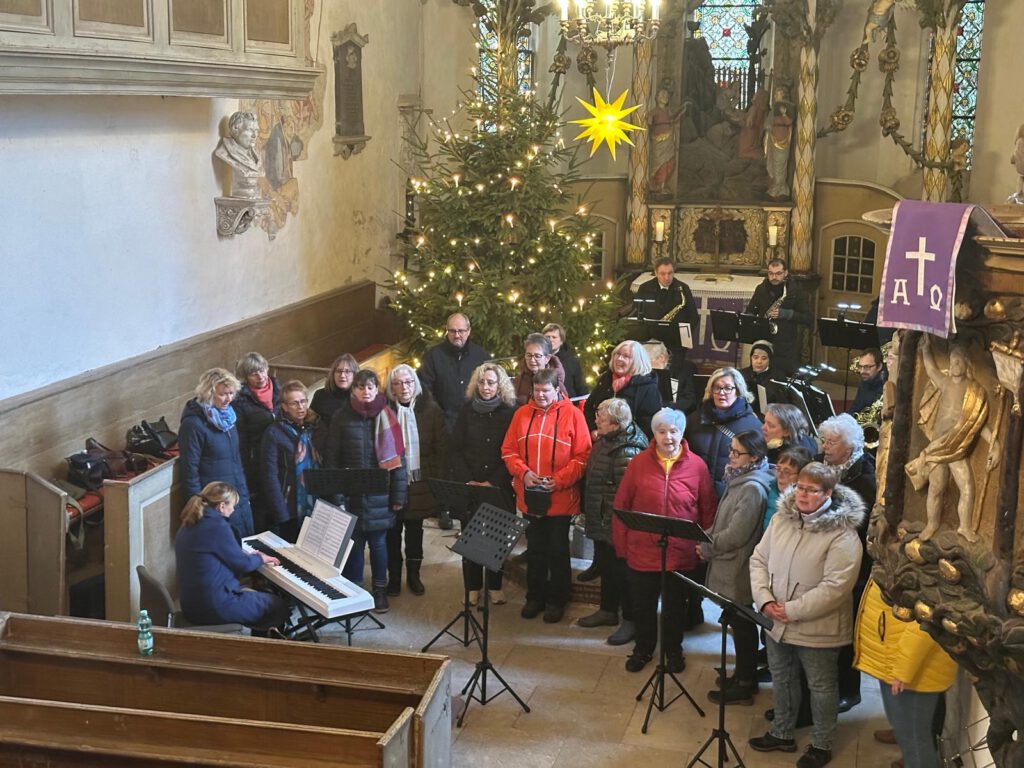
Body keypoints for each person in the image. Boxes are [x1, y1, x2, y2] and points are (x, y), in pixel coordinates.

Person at [749, 462, 865, 768]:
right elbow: (758, 559)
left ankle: (821, 744)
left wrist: (790, 610)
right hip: (775, 618)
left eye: (811, 490)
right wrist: (764, 600)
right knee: (782, 678)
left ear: (827, 494)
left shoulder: (843, 535)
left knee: (821, 686)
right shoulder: (781, 520)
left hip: (818, 626)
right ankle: (782, 732)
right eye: (799, 487)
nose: (801, 494)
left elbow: (836, 587)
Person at [613, 408, 715, 673]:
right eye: (662, 431)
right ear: (654, 434)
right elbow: (622, 506)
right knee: (643, 605)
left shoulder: (697, 466)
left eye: (673, 431)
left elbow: (707, 510)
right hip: (642, 549)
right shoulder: (638, 464)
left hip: (680, 553)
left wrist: (703, 546)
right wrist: (622, 546)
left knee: (674, 609)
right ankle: (643, 648)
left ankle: (673, 650)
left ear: (682, 433)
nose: (668, 437)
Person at [502, 368, 592, 624]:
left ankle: (557, 600)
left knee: (557, 551)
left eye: (546, 390)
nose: (541, 395)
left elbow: (583, 456)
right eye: (537, 390)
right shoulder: (521, 414)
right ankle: (535, 597)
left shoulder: (573, 415)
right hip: (530, 496)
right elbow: (508, 450)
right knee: (536, 550)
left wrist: (559, 480)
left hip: (560, 498)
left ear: (557, 390)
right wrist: (524, 473)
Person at [324, 369, 408, 614]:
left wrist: (398, 497)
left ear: (377, 389)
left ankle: (379, 590)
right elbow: (333, 460)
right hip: (351, 494)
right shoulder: (342, 417)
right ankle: (356, 592)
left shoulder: (388, 415)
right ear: (354, 390)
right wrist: (337, 498)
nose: (366, 391)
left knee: (379, 544)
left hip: (380, 494)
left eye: (370, 387)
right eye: (361, 387)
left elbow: (398, 463)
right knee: (355, 544)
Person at [701, 430, 773, 705]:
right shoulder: (740, 480)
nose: (730, 456)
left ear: (754, 456)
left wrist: (707, 546)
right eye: (730, 450)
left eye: (736, 452)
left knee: (742, 624)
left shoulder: (752, 488)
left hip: (739, 566)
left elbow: (737, 534)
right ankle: (742, 674)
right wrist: (703, 535)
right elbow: (723, 522)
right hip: (730, 564)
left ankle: (745, 682)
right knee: (735, 620)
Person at [854, 579, 957, 768]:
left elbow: (928, 618)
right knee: (907, 735)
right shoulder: (896, 551)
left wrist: (903, 668)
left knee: (915, 741)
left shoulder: (923, 555)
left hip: (912, 669)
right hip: (892, 657)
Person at [908, 337, 998, 542]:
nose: (954, 365)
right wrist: (926, 350)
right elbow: (931, 370)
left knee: (967, 486)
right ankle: (932, 524)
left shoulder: (975, 391)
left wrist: (995, 444)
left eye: (959, 361)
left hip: (957, 448)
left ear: (967, 364)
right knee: (935, 488)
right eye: (952, 361)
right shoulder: (945, 382)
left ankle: (964, 527)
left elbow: (978, 425)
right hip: (938, 446)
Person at [818, 413, 877, 713]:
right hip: (824, 558)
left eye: (832, 442)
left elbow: (862, 523)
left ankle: (849, 689)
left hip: (854, 562)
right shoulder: (823, 466)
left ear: (851, 444)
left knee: (847, 626)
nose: (825, 447)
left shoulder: (864, 475)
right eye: (824, 440)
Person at [578, 398, 648, 645]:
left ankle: (629, 620)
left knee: (624, 573)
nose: (596, 420)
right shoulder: (607, 440)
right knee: (608, 567)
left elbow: (625, 496)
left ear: (616, 424)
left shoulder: (629, 451)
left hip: (617, 523)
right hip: (603, 518)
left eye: (601, 417)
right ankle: (607, 610)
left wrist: (612, 522)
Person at [175, 481, 291, 630]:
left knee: (258, 596)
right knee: (277, 605)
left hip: (191, 604)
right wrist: (260, 558)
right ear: (222, 506)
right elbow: (242, 564)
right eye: (232, 506)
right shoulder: (216, 526)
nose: (233, 511)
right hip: (213, 606)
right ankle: (264, 647)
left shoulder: (190, 521)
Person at [450, 362, 518, 606]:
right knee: (471, 537)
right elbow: (456, 449)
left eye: (491, 382)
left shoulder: (511, 411)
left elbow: (512, 452)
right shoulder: (467, 409)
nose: (486, 387)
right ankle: (473, 587)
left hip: (498, 485)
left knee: (496, 537)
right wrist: (469, 479)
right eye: (481, 381)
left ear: (500, 385)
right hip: (470, 483)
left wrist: (492, 481)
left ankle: (495, 585)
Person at [385, 364, 446, 597]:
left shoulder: (430, 409)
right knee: (392, 532)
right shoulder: (384, 411)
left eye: (408, 382)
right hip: (392, 480)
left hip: (421, 479)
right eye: (398, 383)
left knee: (414, 531)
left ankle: (413, 575)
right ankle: (394, 577)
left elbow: (441, 448)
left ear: (415, 384)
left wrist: (436, 481)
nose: (404, 387)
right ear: (392, 388)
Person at [179, 368, 254, 539]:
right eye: (223, 394)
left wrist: (243, 496)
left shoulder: (229, 419)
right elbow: (189, 472)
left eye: (231, 393)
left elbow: (236, 463)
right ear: (208, 393)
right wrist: (198, 510)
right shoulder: (193, 424)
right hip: (214, 504)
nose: (229, 399)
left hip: (235, 497)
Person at [686, 366, 763, 498]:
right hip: (694, 492)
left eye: (727, 388)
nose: (721, 393)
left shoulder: (753, 426)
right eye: (717, 388)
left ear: (738, 391)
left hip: (731, 496)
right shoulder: (694, 419)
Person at [260, 380, 321, 543]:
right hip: (289, 505)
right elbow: (269, 475)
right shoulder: (274, 432)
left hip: (316, 499)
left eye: (303, 401)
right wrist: (281, 512)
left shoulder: (315, 426)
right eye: (294, 403)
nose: (300, 407)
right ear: (285, 407)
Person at [232, 352, 281, 532]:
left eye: (261, 370)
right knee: (263, 507)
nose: (260, 376)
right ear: (245, 377)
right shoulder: (240, 401)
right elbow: (242, 441)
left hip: (282, 457)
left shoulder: (278, 389)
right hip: (258, 461)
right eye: (253, 373)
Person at [418, 312, 491, 433]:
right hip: (443, 426)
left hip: (476, 424)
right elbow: (425, 390)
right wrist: (440, 418)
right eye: (452, 331)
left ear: (468, 331)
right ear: (447, 331)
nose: (457, 335)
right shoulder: (433, 356)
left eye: (461, 331)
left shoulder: (481, 356)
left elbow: (491, 389)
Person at [584, 340, 662, 439]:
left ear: (637, 361)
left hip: (630, 444)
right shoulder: (606, 378)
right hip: (600, 440)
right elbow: (589, 407)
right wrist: (593, 429)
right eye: (618, 354)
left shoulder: (647, 387)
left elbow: (649, 424)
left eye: (626, 356)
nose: (619, 359)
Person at [745, 259, 811, 376]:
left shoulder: (795, 291)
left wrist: (786, 313)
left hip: (786, 345)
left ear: (785, 273)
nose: (774, 277)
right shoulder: (761, 289)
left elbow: (807, 317)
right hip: (765, 340)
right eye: (771, 273)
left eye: (778, 273)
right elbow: (750, 311)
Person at [634, 257, 699, 361]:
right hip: (651, 339)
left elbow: (693, 316)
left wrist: (683, 336)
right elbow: (638, 314)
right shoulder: (645, 288)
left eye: (670, 273)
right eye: (662, 274)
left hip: (675, 341)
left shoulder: (683, 288)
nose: (667, 277)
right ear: (655, 273)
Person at [214, 111, 263, 199]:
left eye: (256, 130)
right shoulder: (224, 153)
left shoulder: (256, 156)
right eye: (249, 130)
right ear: (235, 129)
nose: (254, 135)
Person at [643, 339, 698, 415]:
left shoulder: (686, 368)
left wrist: (668, 407)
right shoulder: (644, 373)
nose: (645, 366)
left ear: (661, 358)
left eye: (647, 362)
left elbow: (690, 400)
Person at [765, 446, 813, 531]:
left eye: (787, 472)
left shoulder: (802, 503)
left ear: (801, 476)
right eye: (778, 469)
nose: (780, 475)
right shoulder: (768, 487)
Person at [513, 333, 569, 405]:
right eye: (529, 355)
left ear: (547, 358)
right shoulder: (518, 381)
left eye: (537, 356)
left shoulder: (555, 381)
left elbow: (564, 408)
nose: (532, 360)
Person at [310, 353, 359, 425]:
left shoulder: (360, 397)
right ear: (333, 374)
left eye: (347, 371)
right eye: (339, 371)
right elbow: (311, 423)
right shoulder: (320, 395)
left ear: (354, 375)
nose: (342, 375)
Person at [543, 322, 588, 398]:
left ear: (561, 341)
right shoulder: (537, 359)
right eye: (548, 337)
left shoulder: (571, 361)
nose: (550, 340)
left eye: (554, 337)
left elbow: (580, 386)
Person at [766, 89, 794, 200]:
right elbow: (767, 124)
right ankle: (775, 187)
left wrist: (783, 113)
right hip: (773, 140)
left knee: (780, 165)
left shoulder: (786, 109)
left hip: (782, 142)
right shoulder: (773, 111)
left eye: (779, 94)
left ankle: (780, 188)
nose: (776, 96)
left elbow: (789, 122)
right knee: (772, 164)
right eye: (776, 95)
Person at [740, 340, 775, 417]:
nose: (759, 361)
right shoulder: (741, 374)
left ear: (769, 360)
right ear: (751, 358)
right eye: (755, 357)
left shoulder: (776, 378)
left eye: (764, 358)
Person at [847, 348, 886, 415]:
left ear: (879, 366)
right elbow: (855, 408)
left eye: (867, 367)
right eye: (860, 367)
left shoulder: (886, 385)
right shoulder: (864, 381)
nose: (862, 371)